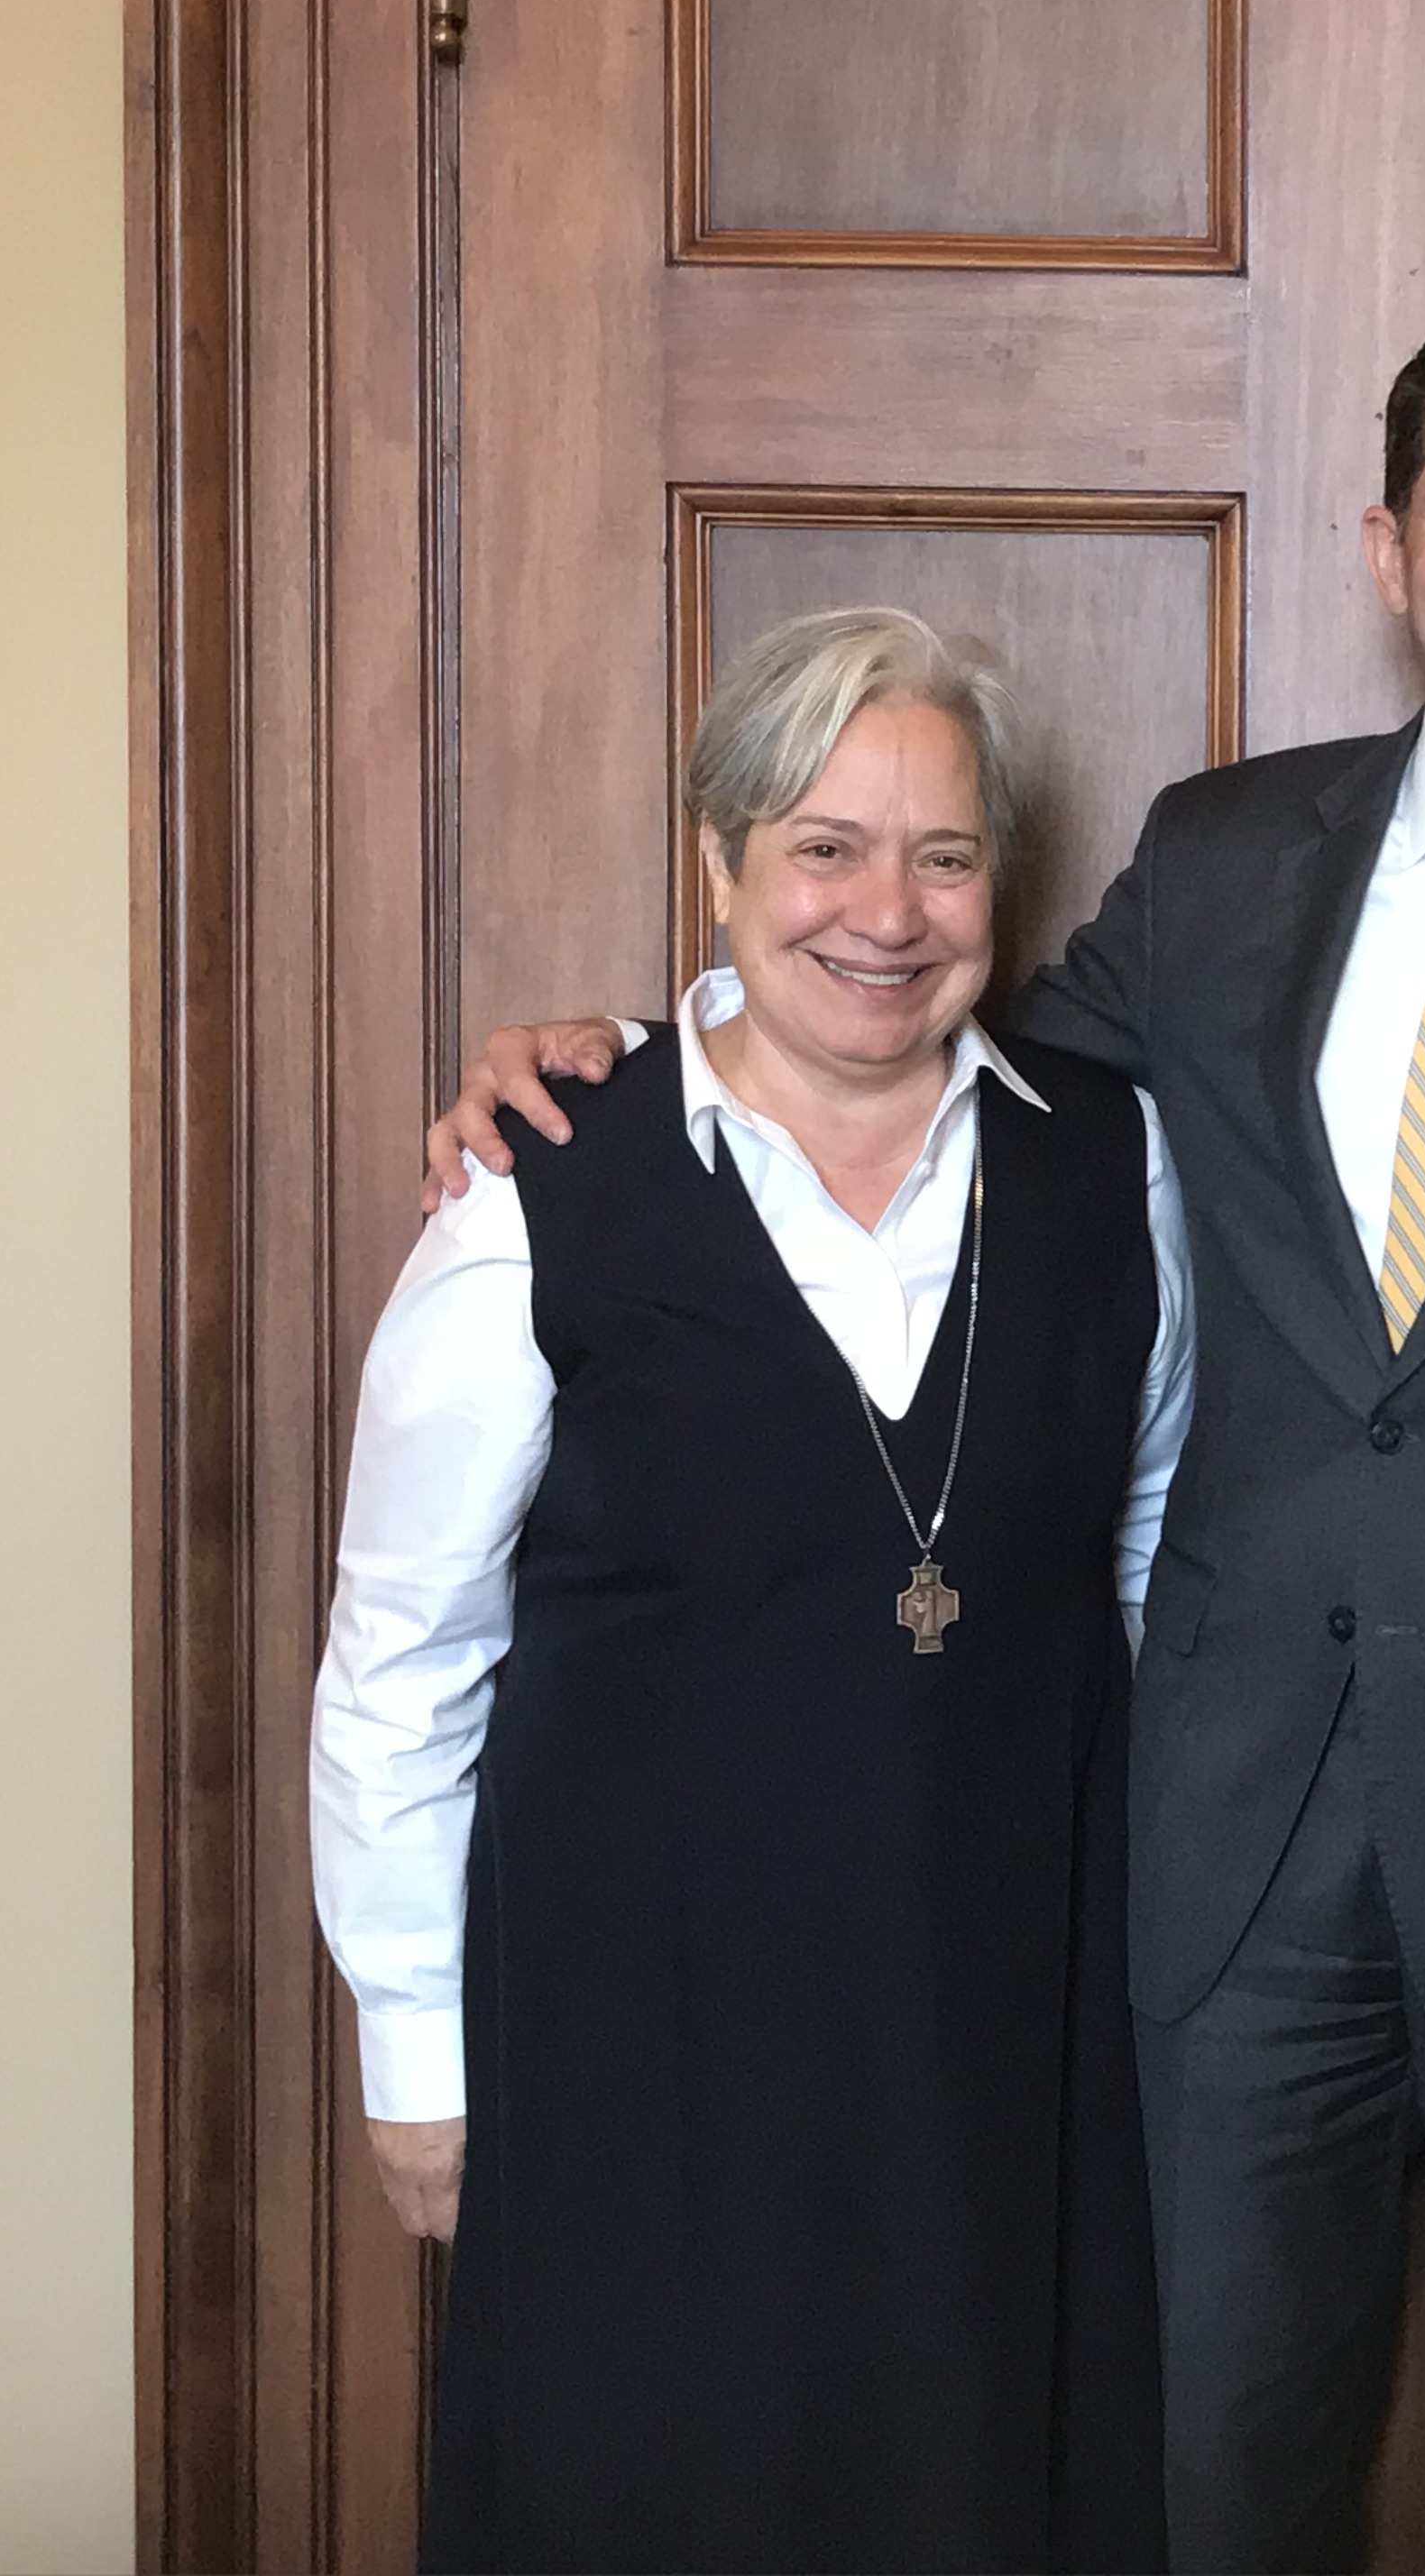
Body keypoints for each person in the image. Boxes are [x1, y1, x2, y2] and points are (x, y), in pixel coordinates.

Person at [425, 304, 1425, 2572]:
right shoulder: (1225, 859)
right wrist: (648, 1057)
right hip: (1218, 1860)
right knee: (1204, 2491)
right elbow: (922, 1058)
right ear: (1385, 546)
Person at [315, 608, 1193, 2572]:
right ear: (719, 859)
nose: (887, 910)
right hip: (637, 2063)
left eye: (945, 855)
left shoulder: (1114, 1178)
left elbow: (1134, 1573)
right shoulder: (539, 1189)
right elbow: (402, 1661)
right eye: (824, 845)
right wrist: (418, 2062)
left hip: (1004, 2054)